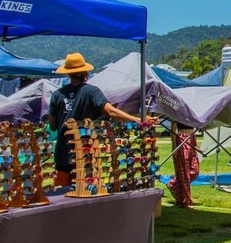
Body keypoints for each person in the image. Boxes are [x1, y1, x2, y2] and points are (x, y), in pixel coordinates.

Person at [45, 53, 156, 185]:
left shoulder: (57, 95)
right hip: (84, 153)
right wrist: (137, 120)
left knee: (62, 194)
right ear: (85, 72)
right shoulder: (91, 91)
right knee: (84, 192)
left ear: (68, 73)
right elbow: (110, 111)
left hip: (62, 154)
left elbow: (52, 126)